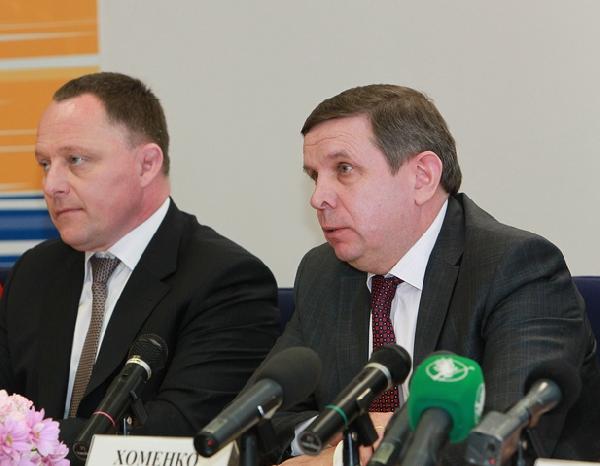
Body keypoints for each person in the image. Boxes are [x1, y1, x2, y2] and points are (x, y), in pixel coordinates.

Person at [263, 84, 600, 464]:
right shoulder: (323, 273)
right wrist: (351, 432)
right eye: (314, 175)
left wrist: (341, 457)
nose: (318, 197)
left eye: (343, 169)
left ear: (422, 176)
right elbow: (262, 422)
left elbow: (499, 442)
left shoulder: (517, 268)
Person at [0, 72, 280, 447]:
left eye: (76, 160)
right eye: (45, 164)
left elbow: (182, 432)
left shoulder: (226, 280)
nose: (52, 186)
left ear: (146, 165)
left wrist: (32, 440)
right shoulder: (34, 272)